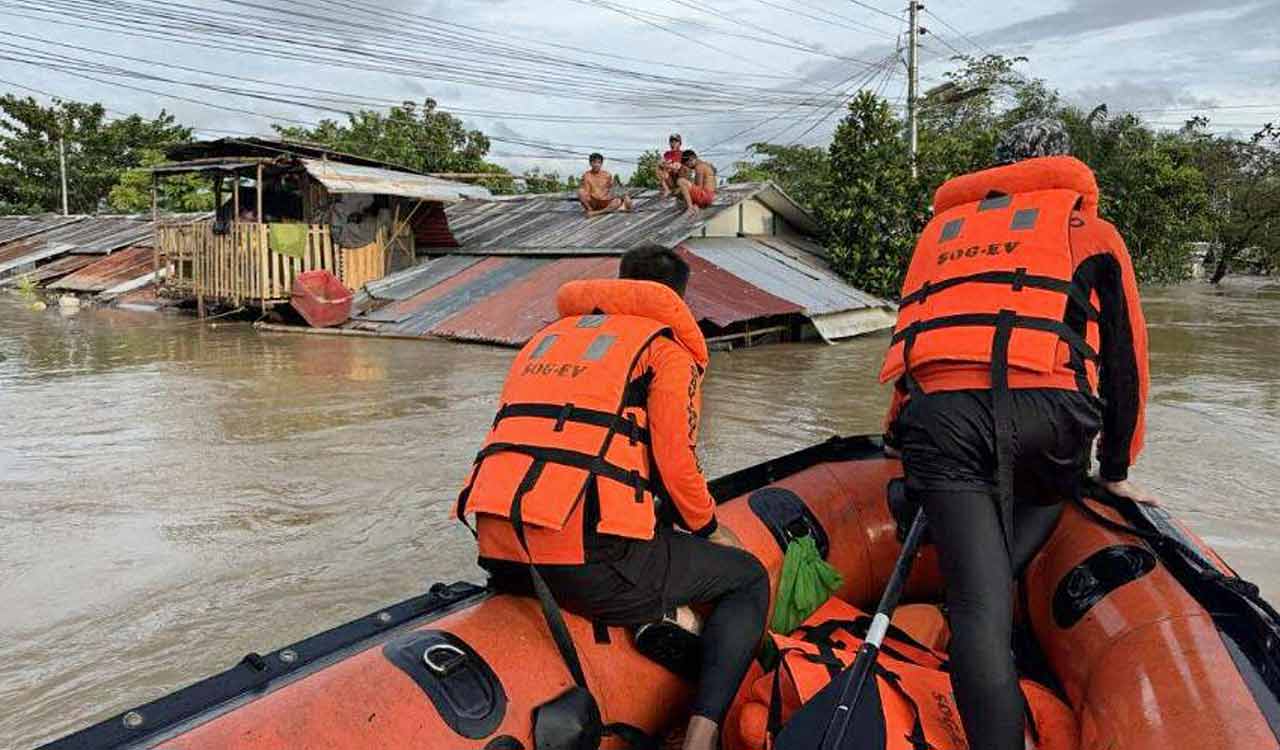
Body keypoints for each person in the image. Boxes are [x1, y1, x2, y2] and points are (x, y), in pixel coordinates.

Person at [879, 118, 1152, 750]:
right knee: (1053, 489)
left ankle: (987, 591)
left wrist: (898, 438)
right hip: (1049, 421)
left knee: (976, 607)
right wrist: (1115, 470)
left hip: (938, 420)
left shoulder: (940, 234)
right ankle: (1006, 582)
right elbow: (1124, 360)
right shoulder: (1090, 231)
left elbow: (917, 340)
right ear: (1060, 162)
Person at [456, 246, 769, 750]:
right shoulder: (665, 349)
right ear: (676, 297)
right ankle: (701, 736)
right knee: (747, 578)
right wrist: (712, 528)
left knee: (641, 519)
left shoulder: (548, 339)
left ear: (621, 283)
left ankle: (658, 616)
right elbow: (676, 461)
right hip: (584, 562)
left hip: (500, 550)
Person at [578, 152, 633, 216]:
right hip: (594, 202)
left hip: (605, 202)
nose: (596, 165)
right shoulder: (586, 175)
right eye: (594, 162)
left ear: (601, 164)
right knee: (580, 192)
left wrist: (625, 196)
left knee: (618, 201)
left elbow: (615, 188)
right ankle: (590, 210)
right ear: (590, 163)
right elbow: (586, 193)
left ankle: (599, 212)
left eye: (599, 162)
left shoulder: (607, 175)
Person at [675, 150, 716, 218]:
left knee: (680, 181)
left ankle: (690, 208)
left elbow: (698, 186)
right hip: (710, 195)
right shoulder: (705, 165)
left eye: (687, 163)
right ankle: (693, 205)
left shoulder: (699, 167)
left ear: (691, 159)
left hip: (705, 196)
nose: (688, 166)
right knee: (681, 191)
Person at [657, 133, 686, 197]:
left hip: (679, 178)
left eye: (676, 141)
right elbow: (661, 163)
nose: (674, 143)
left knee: (681, 168)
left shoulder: (683, 154)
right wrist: (665, 165)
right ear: (670, 143)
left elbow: (678, 167)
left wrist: (668, 165)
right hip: (670, 179)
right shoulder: (667, 154)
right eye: (672, 141)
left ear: (680, 143)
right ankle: (667, 189)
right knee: (659, 168)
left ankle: (679, 188)